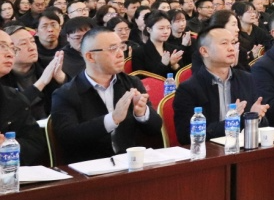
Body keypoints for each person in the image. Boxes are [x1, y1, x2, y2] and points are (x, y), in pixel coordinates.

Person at [50, 26, 163, 165]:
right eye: (112, 49)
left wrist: (142, 113)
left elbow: (155, 129)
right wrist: (112, 119)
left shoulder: (131, 83)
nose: (121, 54)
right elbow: (67, 138)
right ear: (90, 57)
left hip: (130, 163)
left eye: (121, 47)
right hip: (90, 167)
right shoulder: (65, 94)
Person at [173, 27, 269, 143]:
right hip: (209, 151)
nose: (231, 48)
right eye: (224, 43)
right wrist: (232, 121)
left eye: (233, 43)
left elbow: (264, 125)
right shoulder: (188, 89)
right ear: (204, 51)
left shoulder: (247, 79)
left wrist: (255, 117)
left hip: (243, 147)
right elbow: (185, 136)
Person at [0, 29, 48, 166]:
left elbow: (34, 143)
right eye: (2, 46)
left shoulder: (13, 98)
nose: (10, 54)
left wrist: (8, 145)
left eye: (12, 48)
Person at [2, 25, 65, 120]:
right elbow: (11, 109)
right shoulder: (2, 74)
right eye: (23, 43)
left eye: (32, 41)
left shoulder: (47, 65)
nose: (32, 47)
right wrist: (41, 82)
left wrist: (62, 79)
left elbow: (72, 99)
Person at [134, 11, 186, 76]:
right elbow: (141, 79)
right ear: (149, 30)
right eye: (161, 28)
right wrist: (163, 64)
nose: (166, 31)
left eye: (168, 28)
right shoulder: (139, 52)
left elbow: (182, 77)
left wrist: (174, 65)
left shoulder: (174, 49)